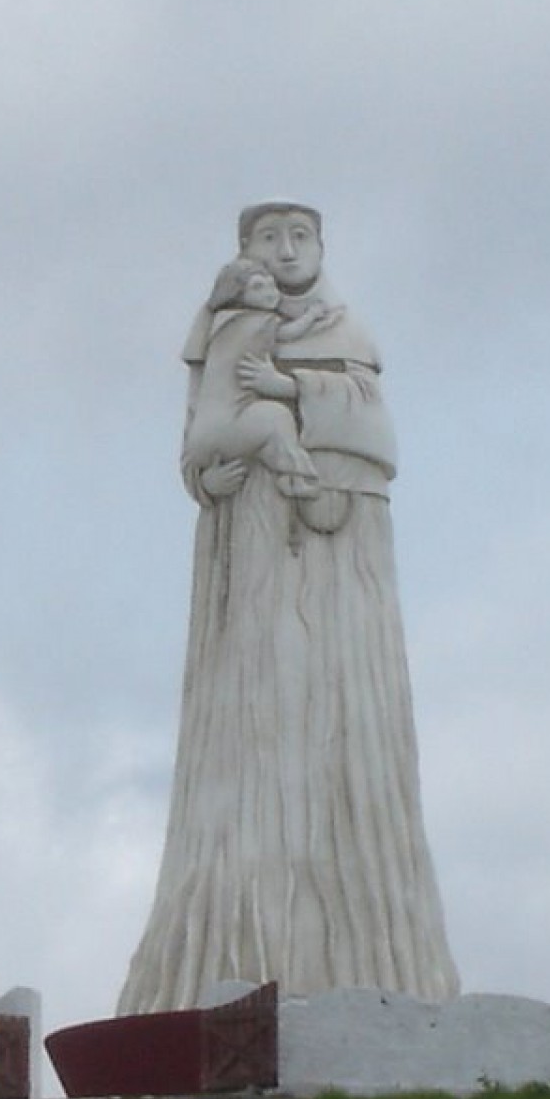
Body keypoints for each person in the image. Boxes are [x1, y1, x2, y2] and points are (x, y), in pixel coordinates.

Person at [119, 201, 461, 1014]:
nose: (285, 250)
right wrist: (209, 479)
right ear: (246, 251)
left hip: (338, 570)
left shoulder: (349, 331)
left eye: (298, 236)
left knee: (342, 740)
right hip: (252, 563)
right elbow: (197, 436)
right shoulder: (224, 329)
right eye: (268, 238)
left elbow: (377, 437)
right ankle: (228, 949)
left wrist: (293, 389)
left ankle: (363, 957)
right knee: (251, 741)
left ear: (321, 246)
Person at [181, 258, 336, 500]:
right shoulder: (260, 321)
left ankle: (285, 474)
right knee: (276, 416)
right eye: (257, 287)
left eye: (271, 285)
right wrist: (312, 315)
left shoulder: (216, 325)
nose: (270, 293)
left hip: (204, 438)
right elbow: (289, 332)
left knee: (264, 437)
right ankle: (298, 476)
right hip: (229, 429)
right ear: (237, 295)